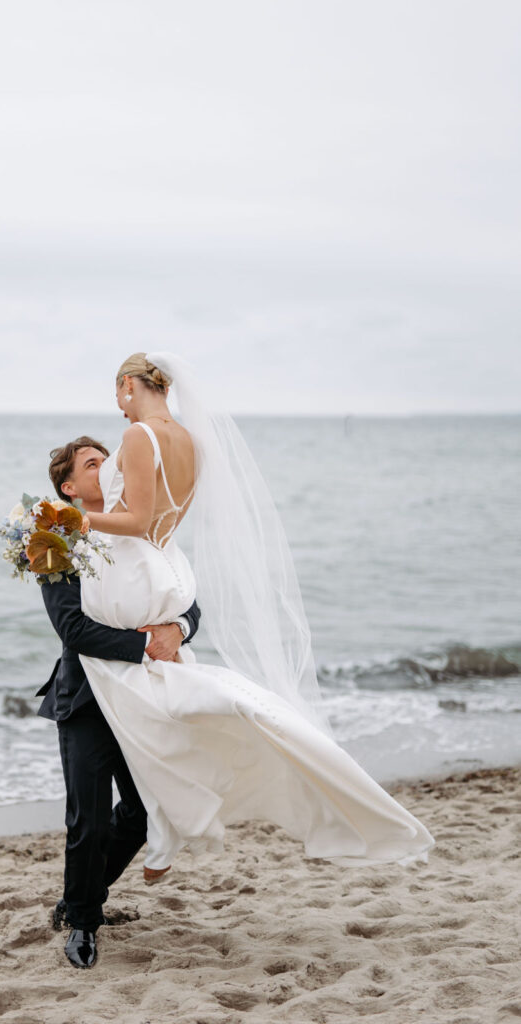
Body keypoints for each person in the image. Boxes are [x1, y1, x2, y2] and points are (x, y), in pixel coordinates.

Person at [77, 352, 434, 881]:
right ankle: (169, 822)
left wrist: (78, 520)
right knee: (155, 700)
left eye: (118, 395)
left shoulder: (137, 438)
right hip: (168, 567)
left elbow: (138, 518)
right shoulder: (192, 441)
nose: (120, 409)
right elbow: (166, 524)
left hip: (133, 568)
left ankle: (176, 818)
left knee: (139, 702)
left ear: (129, 384)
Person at [34, 435, 201, 969]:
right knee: (89, 820)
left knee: (141, 811)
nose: (105, 469)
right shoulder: (53, 539)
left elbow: (189, 600)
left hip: (142, 700)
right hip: (84, 699)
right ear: (69, 487)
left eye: (108, 461)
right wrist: (144, 645)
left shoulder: (146, 530)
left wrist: (178, 628)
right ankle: (83, 923)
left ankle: (77, 897)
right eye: (92, 464)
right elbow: (72, 627)